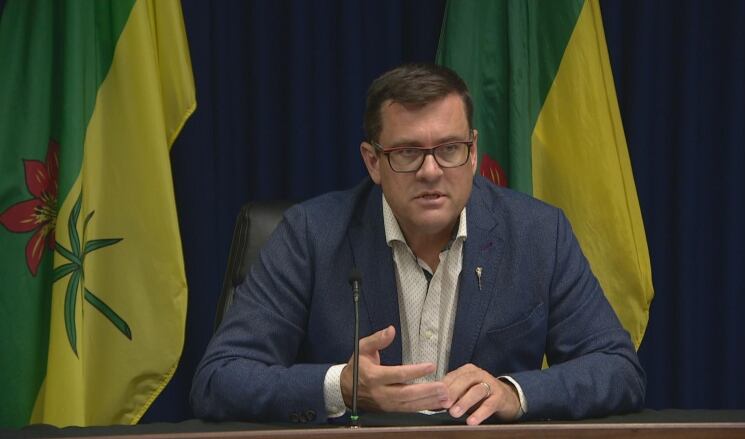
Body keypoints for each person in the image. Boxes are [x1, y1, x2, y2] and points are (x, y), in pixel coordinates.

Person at [190, 63, 645, 425]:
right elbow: (219, 378)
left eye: (449, 149)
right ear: (373, 161)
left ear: (472, 151)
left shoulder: (538, 233)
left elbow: (618, 369)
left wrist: (513, 392)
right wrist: (342, 386)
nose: (431, 171)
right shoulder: (310, 234)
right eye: (407, 153)